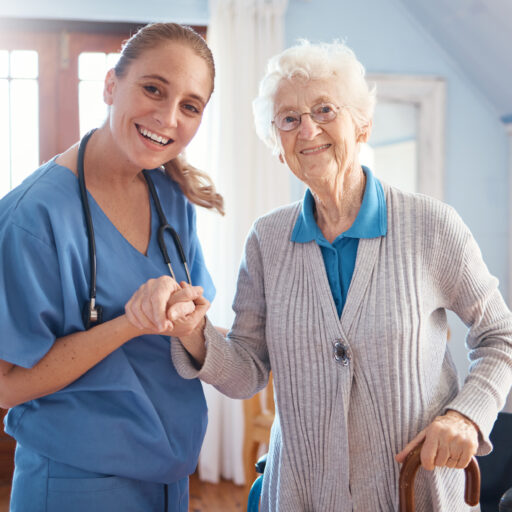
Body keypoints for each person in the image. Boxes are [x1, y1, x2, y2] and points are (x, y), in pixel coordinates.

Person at [127, 41, 512, 511]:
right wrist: (194, 334)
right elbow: (248, 369)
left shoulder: (432, 227)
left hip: (415, 492)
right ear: (278, 144)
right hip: (301, 494)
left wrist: (466, 417)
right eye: (288, 118)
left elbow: (500, 336)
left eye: (324, 109)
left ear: (362, 123)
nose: (307, 128)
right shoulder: (267, 240)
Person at [0, 22, 222, 512]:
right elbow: (7, 383)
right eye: (153, 89)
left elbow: (194, 323)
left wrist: (188, 319)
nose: (167, 117)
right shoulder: (32, 218)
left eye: (190, 106)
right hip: (77, 481)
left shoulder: (171, 200)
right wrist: (128, 325)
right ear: (110, 85)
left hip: (169, 474)